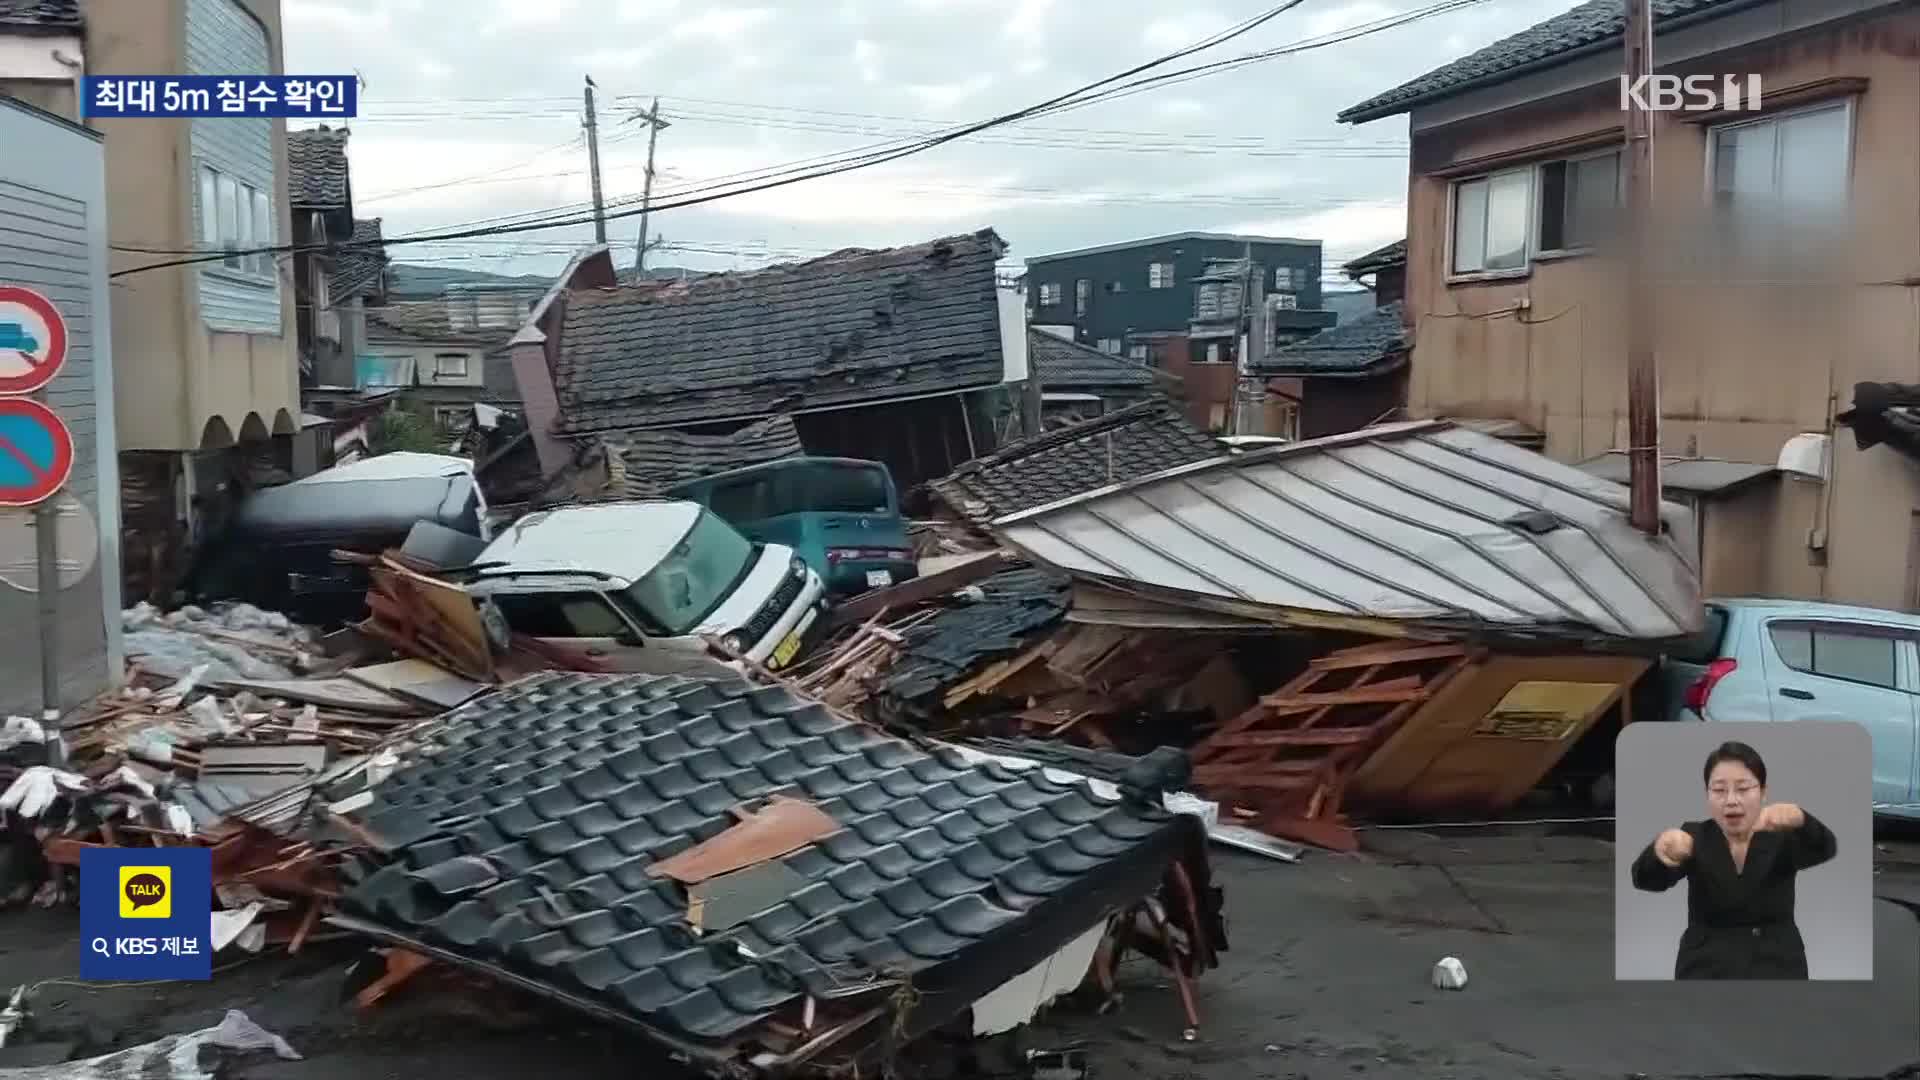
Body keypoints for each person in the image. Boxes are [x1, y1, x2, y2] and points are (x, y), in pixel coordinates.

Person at [1630, 740, 1838, 979]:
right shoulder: (1694, 835)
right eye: (1719, 790)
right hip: (1705, 967)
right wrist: (1660, 853)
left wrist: (1802, 820)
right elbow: (1645, 880)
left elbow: (1825, 849)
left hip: (1777, 965)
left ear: (1763, 791)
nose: (1731, 800)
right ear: (1707, 794)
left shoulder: (1782, 836)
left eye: (1743, 788)